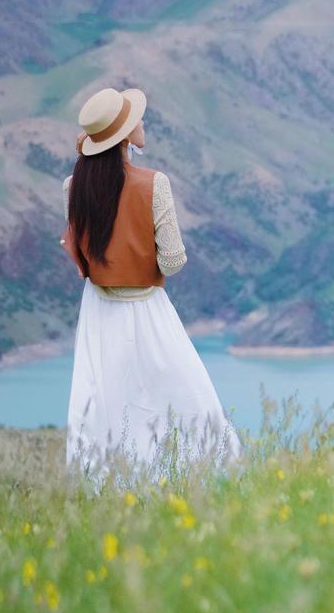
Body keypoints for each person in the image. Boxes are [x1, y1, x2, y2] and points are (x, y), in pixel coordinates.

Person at [61, 85, 242, 489]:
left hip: (98, 311)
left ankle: (111, 485)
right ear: (124, 137)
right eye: (134, 119)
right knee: (181, 395)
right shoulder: (154, 184)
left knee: (106, 403)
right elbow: (173, 261)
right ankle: (189, 480)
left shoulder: (74, 188)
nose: (142, 122)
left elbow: (85, 259)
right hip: (146, 307)